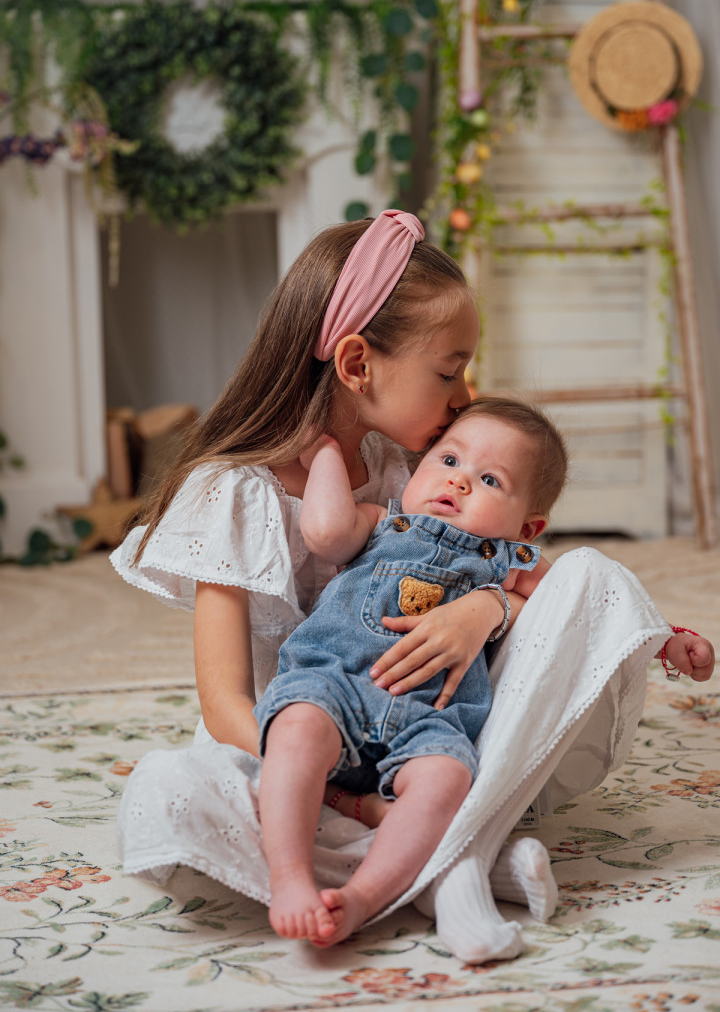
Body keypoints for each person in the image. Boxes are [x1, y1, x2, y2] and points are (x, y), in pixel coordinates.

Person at [111, 209, 715, 963]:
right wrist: (338, 788)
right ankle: (449, 861)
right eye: (449, 370)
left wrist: (482, 611)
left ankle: (418, 842)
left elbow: (535, 580)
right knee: (173, 790)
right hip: (298, 734)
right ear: (359, 364)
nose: (465, 397)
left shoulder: (413, 470)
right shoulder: (233, 492)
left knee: (595, 577)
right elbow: (227, 705)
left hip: (425, 722)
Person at [256, 397, 567, 945]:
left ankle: (362, 899)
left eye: (490, 479)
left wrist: (668, 638)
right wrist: (325, 451)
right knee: (295, 727)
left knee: (448, 780)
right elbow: (327, 532)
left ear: (528, 525)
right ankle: (289, 877)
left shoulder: (510, 561)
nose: (461, 482)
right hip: (336, 688)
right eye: (449, 461)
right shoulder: (384, 520)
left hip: (431, 718)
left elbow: (573, 604)